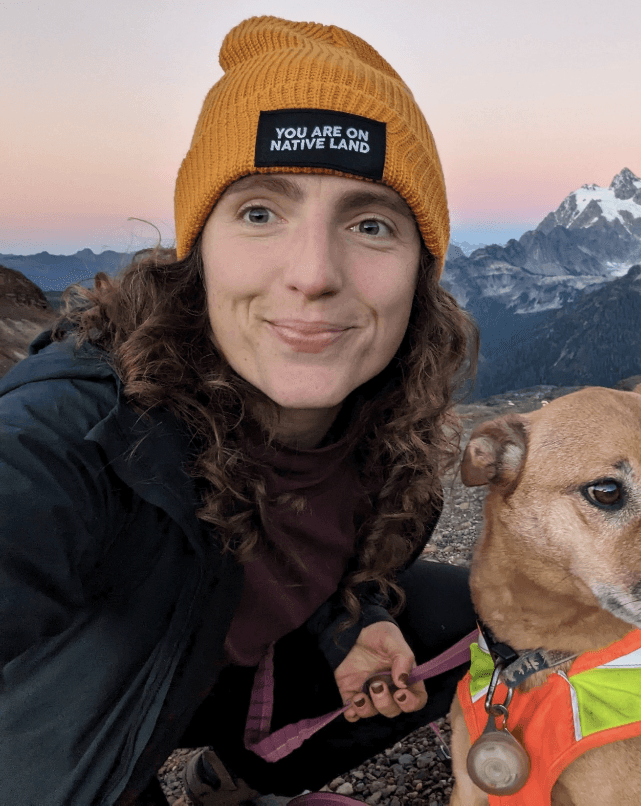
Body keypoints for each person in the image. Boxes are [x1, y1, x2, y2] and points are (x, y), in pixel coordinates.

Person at [0, 17, 478, 806]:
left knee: (465, 612)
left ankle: (229, 787)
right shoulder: (74, 433)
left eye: (369, 224)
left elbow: (316, 560)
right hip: (70, 749)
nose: (314, 273)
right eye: (260, 212)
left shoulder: (388, 440)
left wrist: (353, 628)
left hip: (202, 676)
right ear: (199, 248)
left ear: (418, 272)